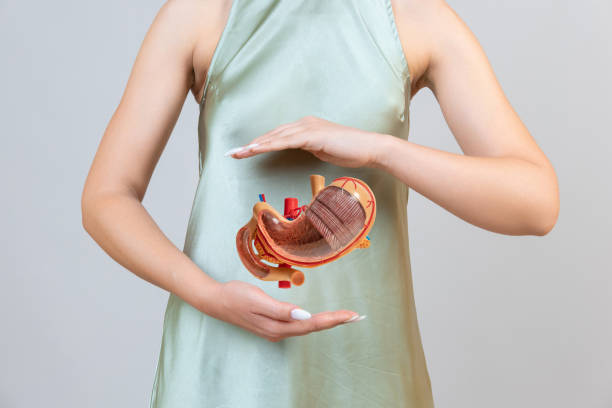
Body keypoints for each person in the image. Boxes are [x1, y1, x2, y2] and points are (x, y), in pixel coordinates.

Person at [81, 0, 560, 406]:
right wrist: (209, 297)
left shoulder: (416, 17)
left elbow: (536, 202)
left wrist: (378, 148)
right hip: (224, 364)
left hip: (366, 363)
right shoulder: (202, 12)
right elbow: (106, 197)